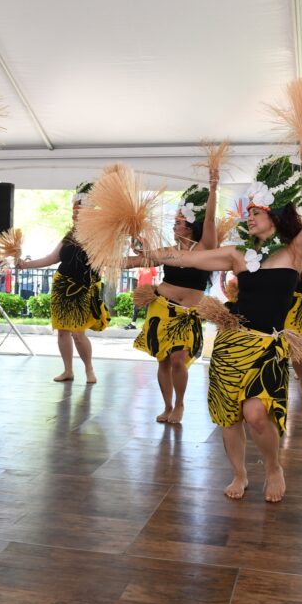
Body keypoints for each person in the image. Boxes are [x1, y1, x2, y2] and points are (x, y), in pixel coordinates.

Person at [138, 150, 302, 503]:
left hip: (267, 347)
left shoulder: (293, 252)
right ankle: (239, 473)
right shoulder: (238, 255)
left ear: (275, 214)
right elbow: (188, 257)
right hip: (231, 344)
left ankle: (273, 467)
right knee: (230, 416)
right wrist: (150, 252)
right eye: (248, 212)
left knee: (256, 413)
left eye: (256, 212)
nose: (249, 217)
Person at [131, 178, 218, 423]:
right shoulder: (168, 251)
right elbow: (141, 259)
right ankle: (167, 405)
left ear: (191, 226)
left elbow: (210, 221)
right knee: (164, 359)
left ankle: (179, 404)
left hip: (187, 313)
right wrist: (104, 259)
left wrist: (213, 189)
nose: (174, 226)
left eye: (179, 223)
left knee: (179, 359)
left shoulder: (204, 248)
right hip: (161, 307)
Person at [20, 182, 111, 384]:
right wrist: (25, 265)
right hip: (62, 286)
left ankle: (89, 369)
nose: (74, 216)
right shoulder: (70, 235)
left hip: (82, 288)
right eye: (73, 213)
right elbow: (52, 258)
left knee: (78, 333)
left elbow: (104, 262)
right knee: (62, 331)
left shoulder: (98, 237)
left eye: (78, 213)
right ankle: (68, 370)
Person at [126, 265, 158, 329]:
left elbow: (155, 278)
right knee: (136, 308)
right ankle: (133, 324)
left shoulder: (152, 267)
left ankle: (147, 325)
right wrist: (138, 270)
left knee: (147, 308)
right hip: (140, 290)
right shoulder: (140, 267)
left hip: (148, 290)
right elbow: (136, 277)